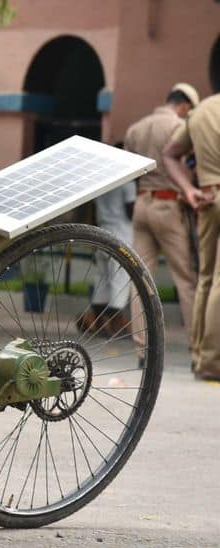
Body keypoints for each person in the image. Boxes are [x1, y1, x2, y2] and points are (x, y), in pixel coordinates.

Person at [124, 83, 200, 367]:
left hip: (142, 204)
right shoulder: (179, 127)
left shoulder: (136, 129)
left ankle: (143, 352)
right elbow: (190, 167)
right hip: (169, 205)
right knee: (186, 280)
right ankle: (197, 351)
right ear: (184, 106)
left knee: (140, 278)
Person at [162, 93, 220, 381]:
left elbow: (170, 154)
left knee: (206, 279)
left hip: (208, 197)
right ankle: (212, 361)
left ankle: (199, 356)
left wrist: (188, 189)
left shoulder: (201, 111)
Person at [77, 150, 137, 336]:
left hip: (103, 232)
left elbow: (94, 211)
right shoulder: (128, 182)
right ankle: (115, 322)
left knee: (103, 278)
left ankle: (97, 320)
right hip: (121, 234)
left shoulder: (102, 183)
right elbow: (130, 211)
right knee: (120, 279)